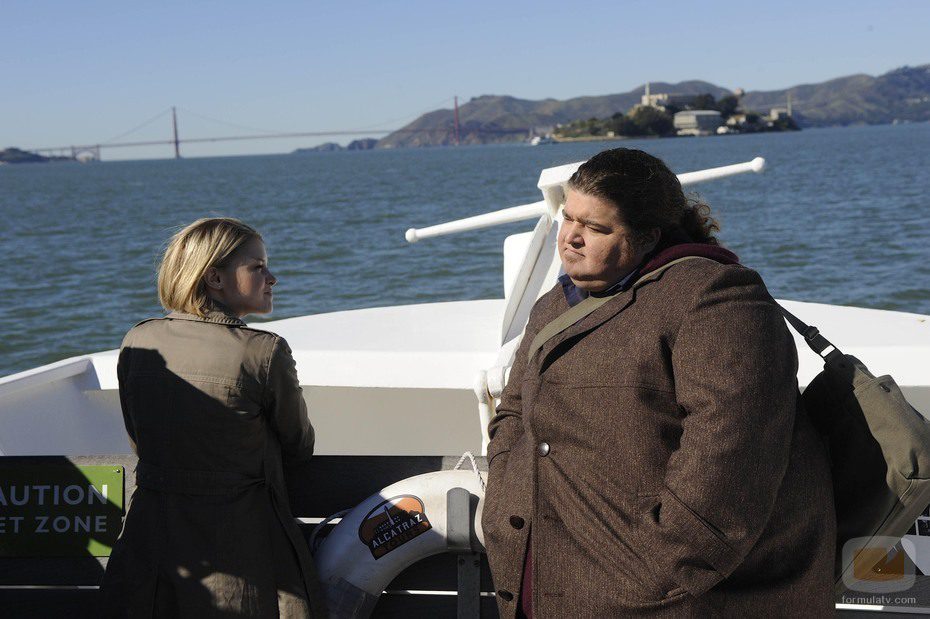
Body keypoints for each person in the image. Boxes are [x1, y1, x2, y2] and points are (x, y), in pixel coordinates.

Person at [481, 149, 835, 618]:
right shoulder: (556, 302)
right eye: (569, 217)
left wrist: (651, 579)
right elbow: (514, 407)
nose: (570, 238)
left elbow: (732, 458)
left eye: (597, 228)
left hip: (658, 599)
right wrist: (505, 486)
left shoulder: (717, 301)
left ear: (649, 236)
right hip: (542, 581)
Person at [101, 218, 324, 617]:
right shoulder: (263, 351)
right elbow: (299, 446)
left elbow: (141, 439)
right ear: (215, 278)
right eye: (257, 267)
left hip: (148, 556)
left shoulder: (138, 340)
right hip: (243, 557)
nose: (272, 278)